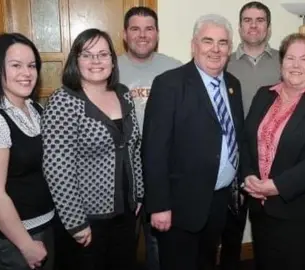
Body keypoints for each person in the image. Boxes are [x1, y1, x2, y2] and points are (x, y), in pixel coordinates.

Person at [142, 14, 244, 270]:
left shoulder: (233, 85)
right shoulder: (169, 84)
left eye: (223, 42)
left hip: (219, 202)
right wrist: (159, 205)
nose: (215, 49)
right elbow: (154, 150)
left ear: (230, 48)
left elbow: (233, 136)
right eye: (208, 41)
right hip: (179, 207)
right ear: (194, 45)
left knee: (207, 263)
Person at [41, 28, 144, 270]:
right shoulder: (63, 101)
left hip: (127, 213)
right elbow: (57, 169)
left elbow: (134, 148)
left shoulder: (123, 94)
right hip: (88, 220)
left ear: (112, 60)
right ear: (76, 61)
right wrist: (76, 223)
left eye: (103, 54)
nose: (96, 61)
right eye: (87, 55)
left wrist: (139, 193)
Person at [241, 33, 305, 270]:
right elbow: (246, 140)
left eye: (304, 59)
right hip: (260, 209)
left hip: (300, 214)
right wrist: (247, 175)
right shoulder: (263, 95)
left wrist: (277, 186)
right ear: (281, 63)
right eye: (290, 58)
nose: (296, 65)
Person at [0, 33, 55, 270]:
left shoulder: (34, 108)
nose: (27, 73)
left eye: (32, 65)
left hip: (44, 227)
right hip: (13, 241)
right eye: (16, 65)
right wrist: (26, 245)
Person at [118, 6, 181, 269]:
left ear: (157, 33)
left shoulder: (175, 69)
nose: (142, 35)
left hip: (163, 172)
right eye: (135, 28)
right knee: (122, 245)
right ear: (124, 34)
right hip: (122, 174)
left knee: (160, 244)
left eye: (149, 28)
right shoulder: (109, 69)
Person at [221, 3, 280, 268]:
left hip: (275, 160)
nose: (253, 25)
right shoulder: (223, 62)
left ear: (269, 26)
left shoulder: (285, 61)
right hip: (233, 159)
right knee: (231, 231)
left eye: (260, 20)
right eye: (247, 20)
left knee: (270, 231)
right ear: (240, 26)